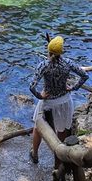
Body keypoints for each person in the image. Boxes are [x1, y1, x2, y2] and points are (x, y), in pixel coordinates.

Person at [29, 36, 88, 164]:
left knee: (38, 127)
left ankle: (35, 154)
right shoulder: (67, 63)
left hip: (48, 102)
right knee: (62, 130)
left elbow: (31, 86)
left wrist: (40, 95)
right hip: (64, 101)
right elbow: (85, 75)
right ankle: (59, 160)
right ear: (61, 51)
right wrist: (73, 87)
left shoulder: (43, 65)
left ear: (48, 51)